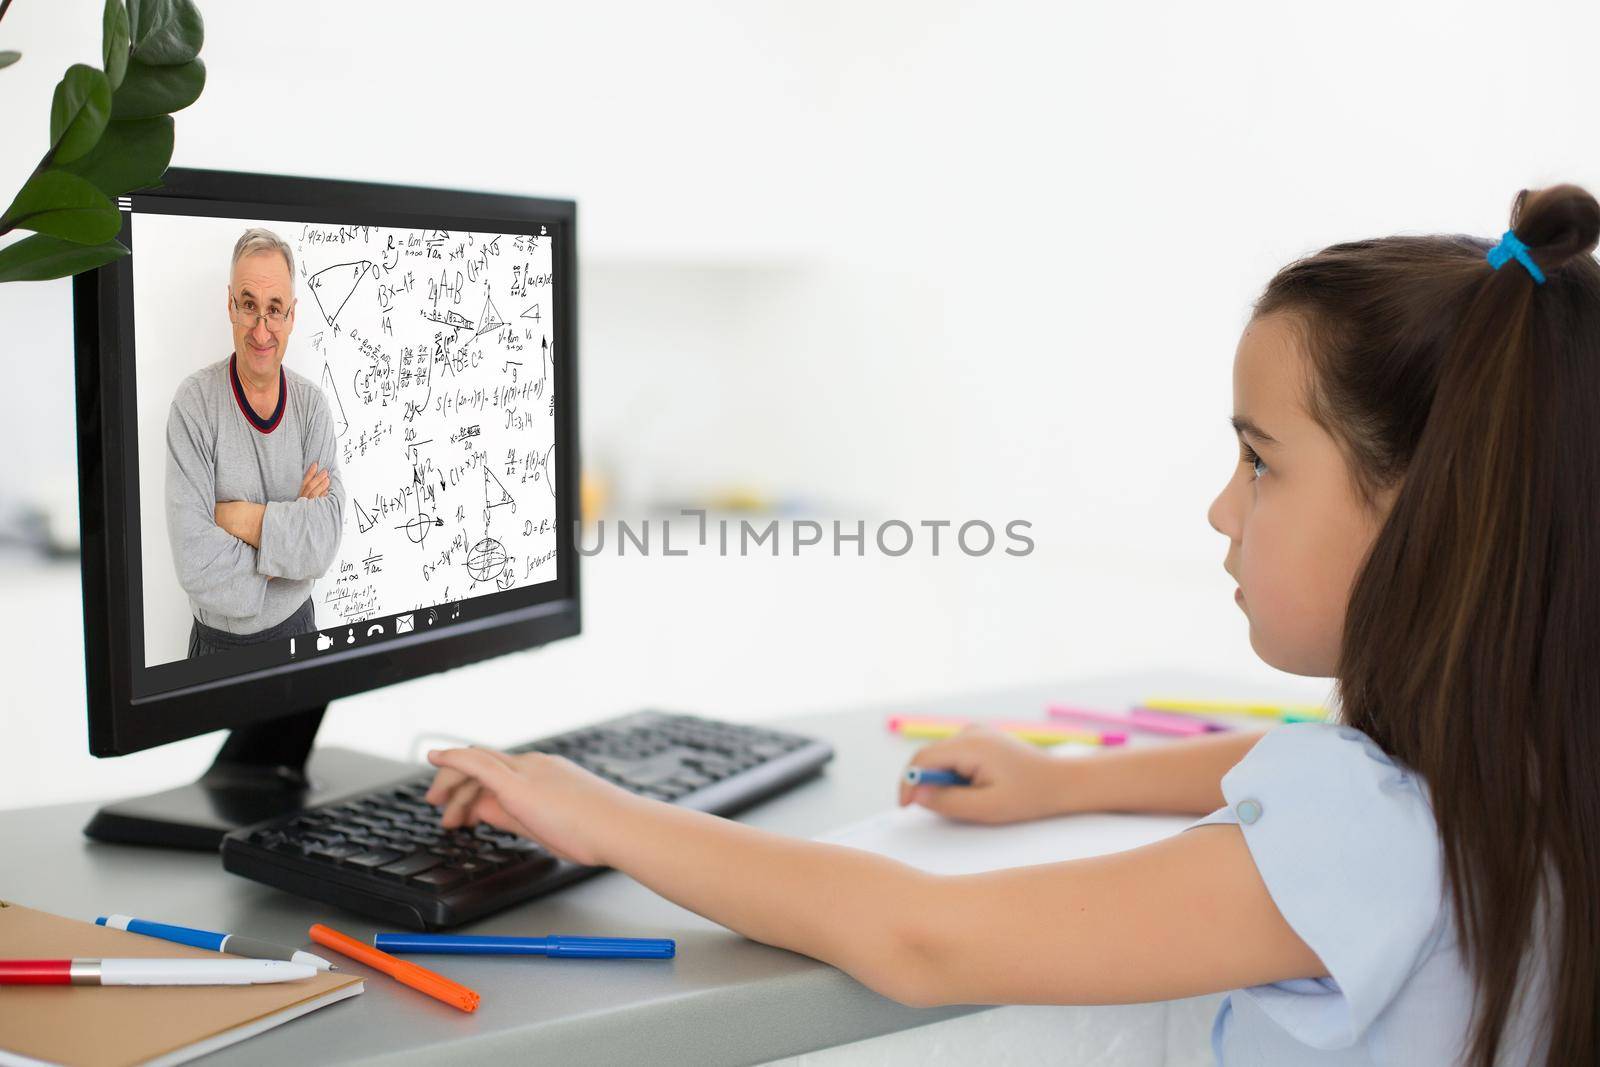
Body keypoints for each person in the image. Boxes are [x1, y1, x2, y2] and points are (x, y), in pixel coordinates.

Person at [424, 185, 1600, 1066]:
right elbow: (1291, 762)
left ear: (1420, 509)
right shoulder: (1524, 767)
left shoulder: (1362, 839)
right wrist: (1058, 779)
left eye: (1258, 461)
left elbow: (917, 933)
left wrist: (606, 814)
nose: (1219, 506)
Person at [165, 227, 345, 657]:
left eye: (274, 309)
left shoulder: (311, 407)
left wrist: (238, 519)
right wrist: (287, 548)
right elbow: (196, 563)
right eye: (249, 305)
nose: (261, 330)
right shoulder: (194, 405)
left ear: (292, 316)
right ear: (230, 304)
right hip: (218, 649)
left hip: (301, 634)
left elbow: (322, 543)